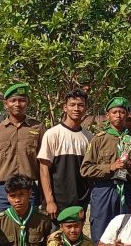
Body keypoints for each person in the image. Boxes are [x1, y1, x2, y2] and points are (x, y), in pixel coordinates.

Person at [81, 97, 131, 243]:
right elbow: (85, 169)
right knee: (101, 230)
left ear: (126, 114)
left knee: (127, 231)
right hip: (104, 190)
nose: (118, 115)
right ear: (107, 115)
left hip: (127, 191)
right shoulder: (99, 139)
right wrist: (110, 167)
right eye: (115, 112)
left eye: (122, 112)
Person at [0, 83, 43, 216]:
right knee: (0, 229)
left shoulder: (38, 128)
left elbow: (43, 164)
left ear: (28, 103)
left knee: (30, 231)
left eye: (22, 100)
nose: (17, 104)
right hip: (1, 190)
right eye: (13, 100)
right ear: (6, 103)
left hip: (28, 189)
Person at [38, 89, 92, 220]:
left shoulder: (89, 137)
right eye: (72, 105)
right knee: (55, 239)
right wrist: (50, 201)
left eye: (80, 105)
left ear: (85, 108)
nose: (76, 108)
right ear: (65, 107)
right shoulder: (52, 134)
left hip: (81, 201)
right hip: (58, 202)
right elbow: (44, 169)